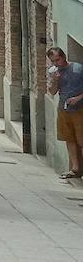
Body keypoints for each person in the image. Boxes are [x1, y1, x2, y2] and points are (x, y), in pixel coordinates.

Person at [47, 47, 83, 180]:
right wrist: (55, 80)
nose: (56, 63)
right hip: (64, 109)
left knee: (81, 139)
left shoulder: (78, 69)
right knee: (69, 138)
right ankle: (75, 168)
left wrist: (78, 98)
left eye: (58, 59)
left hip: (80, 110)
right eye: (53, 61)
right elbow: (52, 92)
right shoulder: (54, 72)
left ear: (64, 57)